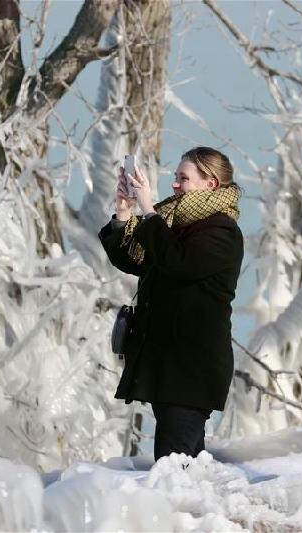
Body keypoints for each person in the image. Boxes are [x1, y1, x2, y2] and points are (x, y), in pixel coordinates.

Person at [97, 146, 244, 462]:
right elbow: (138, 260)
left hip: (192, 370)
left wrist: (149, 211)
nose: (175, 184)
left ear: (211, 184)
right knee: (185, 464)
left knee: (172, 466)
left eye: (183, 178)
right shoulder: (175, 224)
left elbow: (177, 262)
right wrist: (124, 213)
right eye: (176, 177)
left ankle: (183, 510)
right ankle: (196, 510)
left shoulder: (223, 231)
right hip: (170, 367)